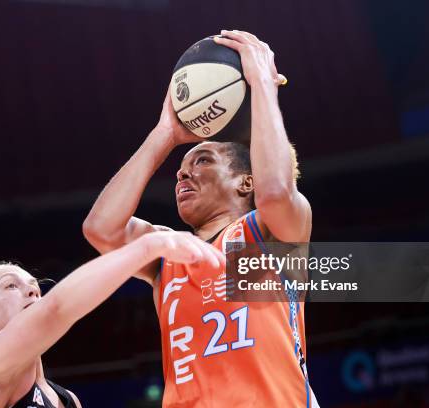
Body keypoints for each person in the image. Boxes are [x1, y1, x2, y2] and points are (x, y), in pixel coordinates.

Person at [83, 30, 318, 407]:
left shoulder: (270, 232)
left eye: (203, 160)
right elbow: (101, 229)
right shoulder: (170, 253)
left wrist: (260, 86)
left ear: (247, 182)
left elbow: (275, 190)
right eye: (180, 168)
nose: (182, 174)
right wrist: (164, 135)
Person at [0, 231, 223, 408]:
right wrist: (149, 246)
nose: (32, 289)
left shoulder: (66, 399)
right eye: (10, 286)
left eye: (33, 284)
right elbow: (56, 309)